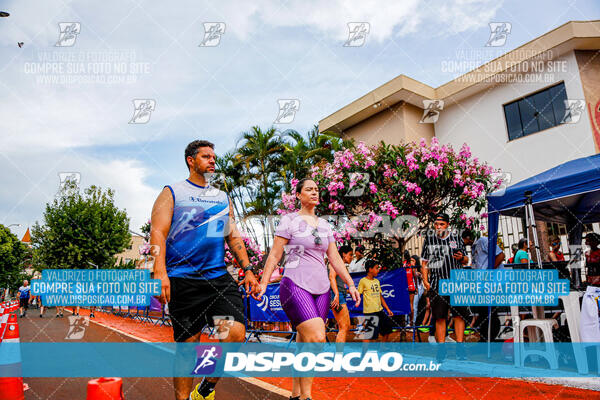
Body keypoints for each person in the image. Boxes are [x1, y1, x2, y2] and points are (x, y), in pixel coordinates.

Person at [150, 140, 259, 400]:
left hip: (217, 279)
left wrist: (249, 270)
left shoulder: (221, 197)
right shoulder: (172, 192)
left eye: (213, 157)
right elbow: (158, 232)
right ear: (191, 160)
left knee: (234, 334)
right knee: (188, 348)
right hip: (182, 280)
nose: (212, 161)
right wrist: (160, 271)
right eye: (206, 157)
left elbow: (232, 237)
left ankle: (207, 386)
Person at [257, 178, 360, 400]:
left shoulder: (324, 225)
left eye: (316, 189)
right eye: (309, 189)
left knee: (305, 344)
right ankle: (305, 398)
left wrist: (351, 283)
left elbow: (334, 258)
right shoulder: (290, 220)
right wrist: (264, 282)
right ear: (298, 195)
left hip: (321, 289)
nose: (314, 192)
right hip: (295, 285)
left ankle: (299, 394)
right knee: (316, 339)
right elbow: (275, 254)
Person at [421, 213, 470, 361]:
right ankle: (441, 350)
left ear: (447, 225)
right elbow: (424, 263)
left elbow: (466, 260)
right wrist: (425, 281)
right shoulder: (430, 240)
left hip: (456, 282)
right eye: (436, 224)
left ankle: (460, 349)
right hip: (438, 282)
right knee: (440, 317)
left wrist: (462, 257)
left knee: (458, 315)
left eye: (441, 224)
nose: (438, 227)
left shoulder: (456, 238)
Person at [358, 260, 394, 342]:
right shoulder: (363, 281)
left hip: (379, 310)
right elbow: (358, 294)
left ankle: (382, 348)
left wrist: (387, 309)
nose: (378, 270)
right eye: (376, 268)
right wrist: (349, 291)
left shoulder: (376, 281)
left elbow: (380, 296)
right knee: (369, 334)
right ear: (370, 269)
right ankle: (365, 352)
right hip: (369, 312)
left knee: (387, 328)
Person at [329, 244, 353, 343]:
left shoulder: (340, 264)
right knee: (344, 327)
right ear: (343, 254)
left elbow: (338, 282)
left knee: (344, 327)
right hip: (337, 296)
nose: (352, 257)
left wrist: (348, 291)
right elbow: (331, 277)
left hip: (339, 295)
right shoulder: (335, 262)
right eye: (350, 255)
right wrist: (337, 295)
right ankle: (339, 356)